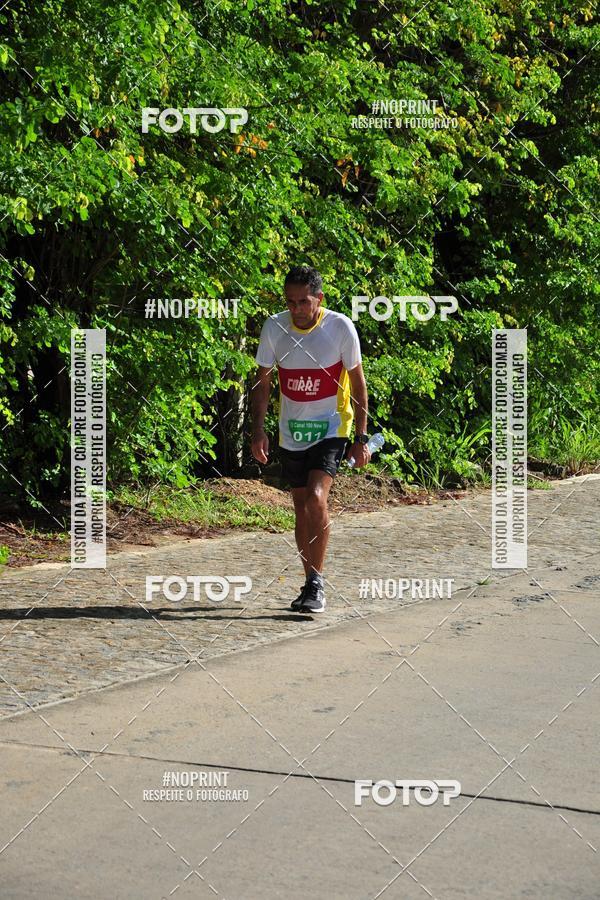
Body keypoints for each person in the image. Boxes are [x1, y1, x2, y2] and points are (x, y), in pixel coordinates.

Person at [251, 265, 370, 613]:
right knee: (301, 508)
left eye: (304, 301)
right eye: (290, 302)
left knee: (317, 497)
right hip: (292, 431)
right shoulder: (274, 328)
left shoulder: (339, 328)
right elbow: (263, 383)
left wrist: (361, 438)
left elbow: (359, 384)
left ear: (319, 299)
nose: (297, 309)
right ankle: (309, 580)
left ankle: (317, 583)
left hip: (333, 427)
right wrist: (259, 430)